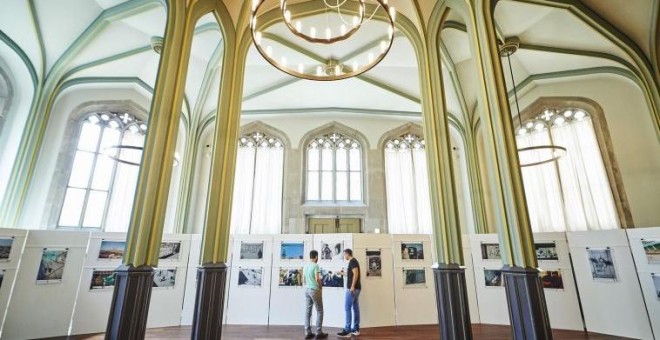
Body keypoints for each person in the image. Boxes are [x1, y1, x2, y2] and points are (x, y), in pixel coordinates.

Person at [303, 250, 328, 339]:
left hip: (307, 290)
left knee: (308, 311)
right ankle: (318, 332)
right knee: (320, 311)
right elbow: (318, 279)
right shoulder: (316, 266)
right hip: (314, 290)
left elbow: (304, 279)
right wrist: (321, 287)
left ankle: (307, 332)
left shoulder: (306, 266)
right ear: (316, 257)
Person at [337, 249, 361, 337]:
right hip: (356, 288)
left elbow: (356, 274)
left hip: (352, 289)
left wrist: (352, 286)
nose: (344, 256)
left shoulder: (352, 261)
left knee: (347, 308)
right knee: (355, 308)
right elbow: (351, 274)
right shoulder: (353, 261)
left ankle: (347, 330)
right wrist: (342, 273)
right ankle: (356, 329)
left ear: (347, 254)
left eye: (344, 255)